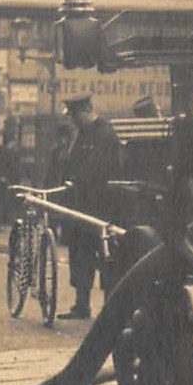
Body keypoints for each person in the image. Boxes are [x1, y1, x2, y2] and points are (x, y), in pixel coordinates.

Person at [56, 95, 123, 320]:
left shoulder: (104, 133)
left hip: (100, 206)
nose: (73, 121)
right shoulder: (83, 134)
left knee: (104, 255)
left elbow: (98, 168)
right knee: (80, 254)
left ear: (86, 110)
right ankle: (81, 305)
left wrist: (77, 181)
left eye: (75, 115)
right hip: (81, 206)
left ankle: (109, 306)